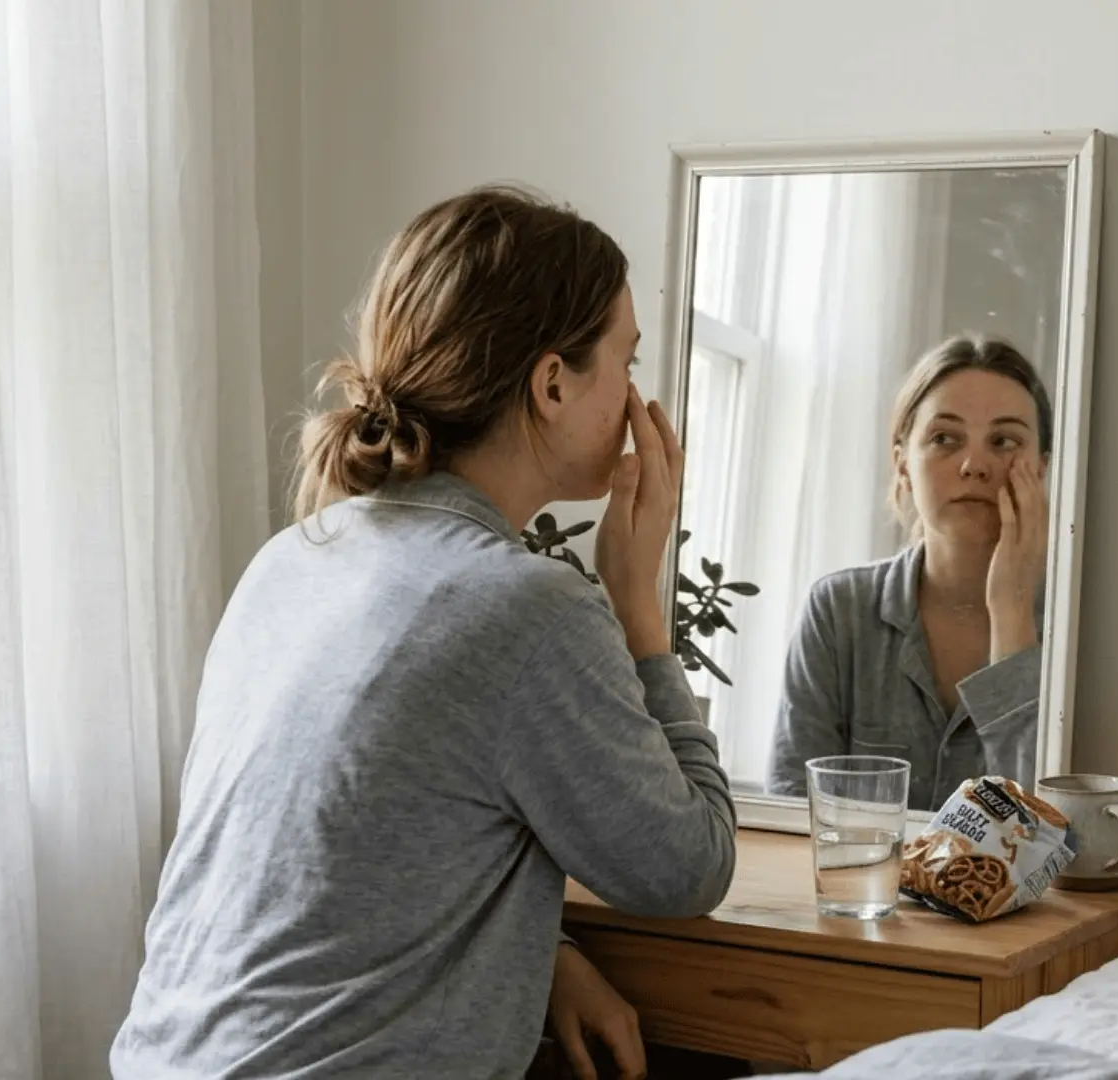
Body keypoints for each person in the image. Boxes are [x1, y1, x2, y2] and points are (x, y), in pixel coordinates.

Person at [111, 185, 737, 1080]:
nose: (637, 401)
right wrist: (640, 608)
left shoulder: (292, 560)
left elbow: (347, 849)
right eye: (626, 367)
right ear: (553, 383)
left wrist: (544, 952)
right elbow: (690, 868)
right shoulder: (529, 609)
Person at [767, 335, 1051, 812]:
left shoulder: (1077, 636)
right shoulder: (839, 611)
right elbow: (794, 810)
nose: (974, 465)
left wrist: (1013, 610)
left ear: (1039, 470)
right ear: (902, 465)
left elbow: (1044, 831)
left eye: (1003, 441)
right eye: (945, 438)